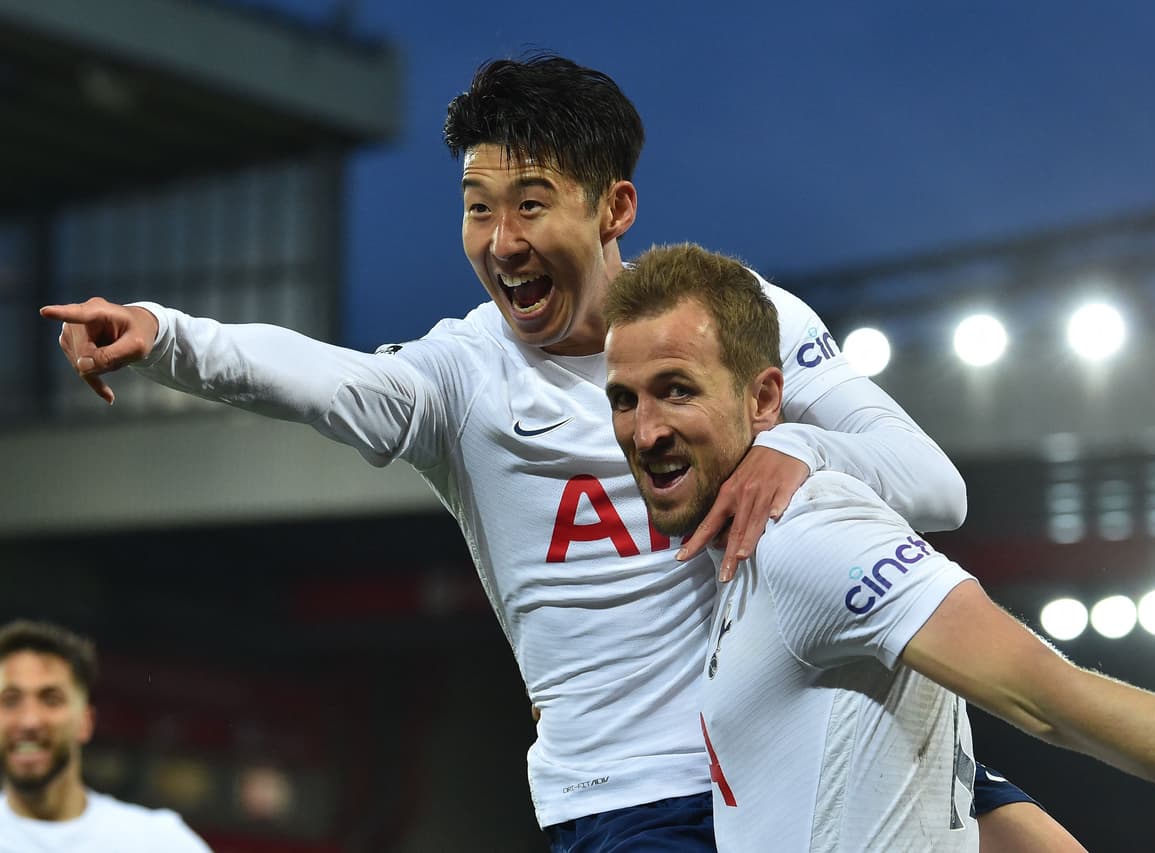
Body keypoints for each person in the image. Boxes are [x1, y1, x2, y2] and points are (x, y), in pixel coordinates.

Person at [40, 54, 1076, 851]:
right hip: (641, 795)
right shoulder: (463, 378)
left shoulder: (738, 319)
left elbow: (933, 485)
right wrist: (167, 335)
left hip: (809, 741)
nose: (501, 240)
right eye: (477, 208)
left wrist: (797, 448)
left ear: (613, 207)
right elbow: (324, 378)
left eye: (530, 203)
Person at [601, 242, 1155, 851]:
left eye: (677, 391)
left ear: (764, 398)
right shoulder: (745, 560)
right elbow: (952, 794)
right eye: (624, 400)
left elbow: (1050, 699)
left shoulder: (806, 534)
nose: (645, 430)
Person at [0, 619, 213, 852]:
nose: (29, 721)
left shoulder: (159, 842)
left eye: (51, 699)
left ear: (86, 722)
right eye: (10, 700)